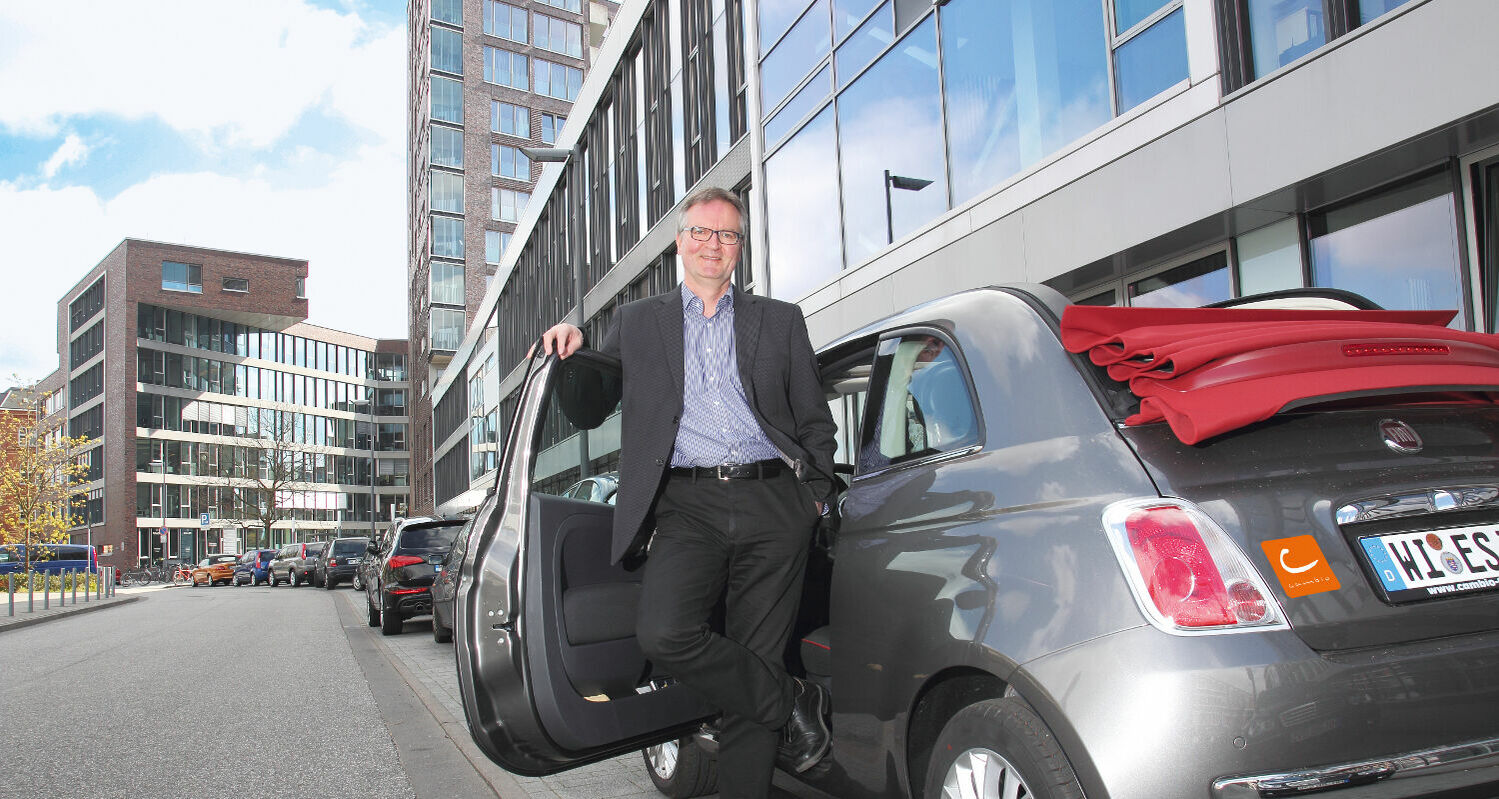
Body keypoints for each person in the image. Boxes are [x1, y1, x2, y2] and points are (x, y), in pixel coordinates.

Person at [541, 185, 837, 798]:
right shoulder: (639, 321)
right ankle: (790, 699)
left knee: (756, 655)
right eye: (700, 233)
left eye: (725, 235)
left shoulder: (780, 321)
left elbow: (814, 420)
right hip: (686, 507)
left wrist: (813, 493)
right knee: (665, 634)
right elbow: (590, 411)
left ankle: (767, 717)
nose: (712, 245)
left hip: (773, 504)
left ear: (739, 248)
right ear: (680, 243)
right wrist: (572, 353)